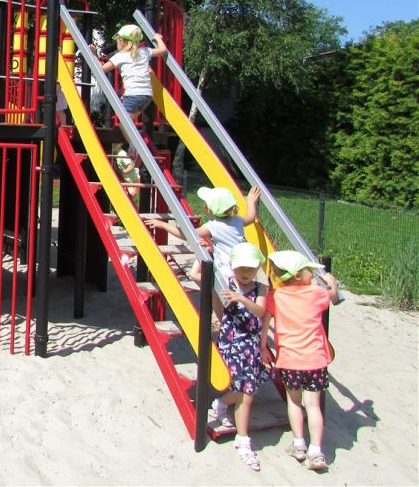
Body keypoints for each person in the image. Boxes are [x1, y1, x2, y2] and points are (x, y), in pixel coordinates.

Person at [261, 250, 340, 473]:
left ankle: (298, 444)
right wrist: (331, 282)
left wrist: (263, 347)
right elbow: (333, 297)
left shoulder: (276, 296)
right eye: (309, 271)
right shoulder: (316, 293)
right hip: (315, 360)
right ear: (298, 275)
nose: (312, 275)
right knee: (313, 405)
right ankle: (316, 451)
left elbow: (265, 324)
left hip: (290, 360)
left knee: (294, 402)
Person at [208, 242, 270, 471]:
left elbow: (261, 311)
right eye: (241, 268)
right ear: (232, 266)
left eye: (250, 269)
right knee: (247, 391)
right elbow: (217, 306)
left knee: (247, 388)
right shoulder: (226, 283)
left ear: (257, 269)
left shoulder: (260, 288)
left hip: (251, 343)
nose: (245, 273)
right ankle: (243, 440)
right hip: (233, 342)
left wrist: (242, 299)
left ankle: (222, 402)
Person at [146, 185, 261, 284]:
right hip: (239, 266)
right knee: (208, 252)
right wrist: (251, 202)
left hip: (225, 272)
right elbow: (251, 217)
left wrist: (163, 225)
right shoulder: (238, 220)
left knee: (194, 275)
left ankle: (212, 293)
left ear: (208, 210)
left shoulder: (213, 226)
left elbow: (187, 234)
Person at [99, 24, 167, 123]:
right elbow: (163, 51)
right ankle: (134, 133)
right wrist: (158, 39)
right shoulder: (144, 51)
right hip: (147, 96)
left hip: (133, 95)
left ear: (121, 41)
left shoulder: (120, 56)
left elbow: (101, 69)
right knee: (129, 123)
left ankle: (130, 133)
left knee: (125, 124)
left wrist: (93, 55)